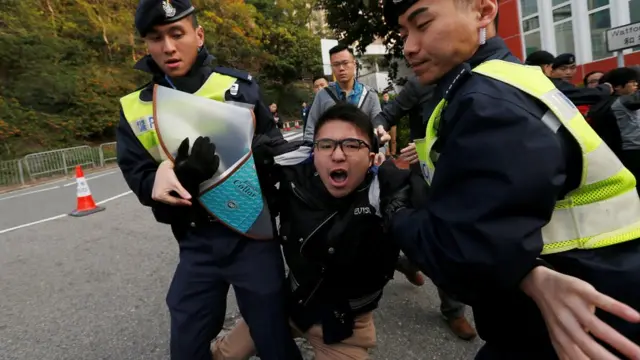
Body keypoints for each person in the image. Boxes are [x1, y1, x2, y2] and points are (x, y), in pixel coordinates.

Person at [381, 0, 640, 359]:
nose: (409, 46)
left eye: (422, 24)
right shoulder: (497, 80)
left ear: (484, 13)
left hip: (576, 322)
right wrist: (529, 272)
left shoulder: (487, 100)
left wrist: (395, 202)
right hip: (570, 301)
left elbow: (463, 254)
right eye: (404, 33)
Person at [115, 1, 301, 359]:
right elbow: (140, 179)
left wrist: (263, 157)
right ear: (147, 46)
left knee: (274, 339)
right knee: (185, 344)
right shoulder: (135, 109)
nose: (168, 47)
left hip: (252, 234)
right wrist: (179, 178)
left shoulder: (239, 88)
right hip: (196, 241)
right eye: (156, 38)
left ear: (198, 36)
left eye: (177, 33)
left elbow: (280, 151)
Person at [211, 103, 405, 359]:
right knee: (223, 355)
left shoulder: (387, 192)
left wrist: (407, 205)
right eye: (326, 145)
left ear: (371, 158)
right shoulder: (294, 177)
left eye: (351, 145)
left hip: (345, 327)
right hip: (289, 303)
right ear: (314, 152)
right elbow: (233, 192)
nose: (337, 155)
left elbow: (431, 237)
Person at [373, 75, 477, 340]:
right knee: (437, 238)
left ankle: (410, 264)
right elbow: (384, 116)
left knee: (452, 242)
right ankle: (454, 311)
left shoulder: (476, 79)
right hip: (425, 179)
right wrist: (380, 130)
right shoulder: (419, 85)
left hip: (463, 176)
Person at [303, 44, 382, 144]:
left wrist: (380, 153)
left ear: (354, 64)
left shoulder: (369, 95)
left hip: (361, 154)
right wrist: (312, 153)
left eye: (345, 63)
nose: (341, 68)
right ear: (332, 67)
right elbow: (311, 128)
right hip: (331, 155)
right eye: (336, 64)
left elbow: (379, 129)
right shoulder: (322, 95)